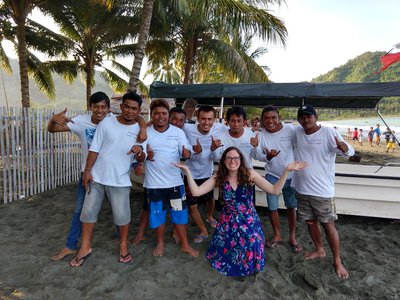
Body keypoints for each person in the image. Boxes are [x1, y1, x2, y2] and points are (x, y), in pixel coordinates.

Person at [174, 147, 307, 277]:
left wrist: (286, 171)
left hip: (248, 218)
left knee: (253, 242)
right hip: (228, 220)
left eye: (236, 158)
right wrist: (187, 171)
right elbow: (196, 192)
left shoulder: (250, 174)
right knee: (227, 248)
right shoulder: (219, 177)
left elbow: (274, 190)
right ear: (224, 161)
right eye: (229, 158)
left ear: (241, 160)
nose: (233, 161)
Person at [47, 92, 146, 261]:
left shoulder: (139, 129)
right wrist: (87, 171)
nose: (130, 111)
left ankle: (123, 245)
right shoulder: (100, 122)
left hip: (119, 179)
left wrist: (139, 153)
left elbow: (141, 153)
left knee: (121, 216)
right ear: (120, 107)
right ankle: (79, 247)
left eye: (134, 109)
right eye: (127, 107)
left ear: (109, 109)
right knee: (85, 213)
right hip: (95, 176)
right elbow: (95, 148)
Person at [292, 104, 354, 279]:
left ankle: (337, 260)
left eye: (309, 116)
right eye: (302, 117)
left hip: (322, 192)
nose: (306, 119)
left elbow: (348, 151)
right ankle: (319, 250)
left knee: (328, 225)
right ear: (299, 120)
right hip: (301, 189)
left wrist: (346, 148)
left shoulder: (328, 133)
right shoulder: (297, 132)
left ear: (316, 116)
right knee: (310, 223)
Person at [143, 99, 198, 257]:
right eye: (157, 113)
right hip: (154, 185)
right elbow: (139, 153)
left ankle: (185, 244)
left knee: (180, 215)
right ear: (151, 115)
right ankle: (160, 243)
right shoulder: (145, 132)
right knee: (157, 215)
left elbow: (186, 150)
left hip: (175, 183)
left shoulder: (177, 132)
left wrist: (187, 153)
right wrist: (145, 155)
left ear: (168, 115)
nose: (161, 116)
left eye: (164, 113)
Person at [253, 106, 302, 253]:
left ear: (279, 117)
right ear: (262, 120)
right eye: (266, 118)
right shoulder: (260, 135)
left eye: (273, 117)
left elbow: (304, 142)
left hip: (291, 176)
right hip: (272, 176)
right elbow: (257, 156)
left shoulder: (290, 130)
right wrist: (268, 157)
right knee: (272, 207)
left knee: (291, 206)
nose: (270, 121)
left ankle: (292, 237)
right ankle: (277, 235)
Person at [182, 105, 227, 243]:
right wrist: (146, 124)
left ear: (214, 120)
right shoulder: (187, 128)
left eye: (209, 119)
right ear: (197, 118)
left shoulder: (220, 128)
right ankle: (203, 230)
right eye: (203, 119)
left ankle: (209, 216)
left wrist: (213, 149)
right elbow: (172, 123)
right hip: (190, 174)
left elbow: (236, 129)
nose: (206, 122)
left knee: (210, 199)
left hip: (207, 173)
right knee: (192, 204)